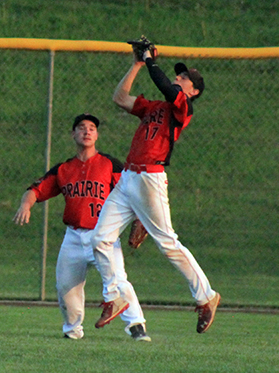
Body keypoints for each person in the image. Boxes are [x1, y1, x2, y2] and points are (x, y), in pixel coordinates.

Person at [91, 48, 221, 334]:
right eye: (180, 73)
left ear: (194, 91)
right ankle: (117, 296)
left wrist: (150, 60)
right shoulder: (154, 107)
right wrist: (137, 64)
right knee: (100, 238)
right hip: (128, 178)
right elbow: (120, 98)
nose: (179, 76)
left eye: (186, 77)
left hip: (150, 178)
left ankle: (206, 296)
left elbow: (165, 84)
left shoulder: (182, 107)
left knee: (168, 243)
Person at [13, 113, 151, 342]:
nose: (87, 131)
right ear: (73, 134)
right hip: (74, 237)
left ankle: (136, 326)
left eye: (91, 128)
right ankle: (73, 330)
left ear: (97, 135)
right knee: (66, 286)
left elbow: (132, 192)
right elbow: (36, 189)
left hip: (104, 236)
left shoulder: (110, 164)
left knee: (117, 280)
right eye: (81, 128)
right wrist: (25, 205)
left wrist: (139, 218)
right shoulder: (64, 169)